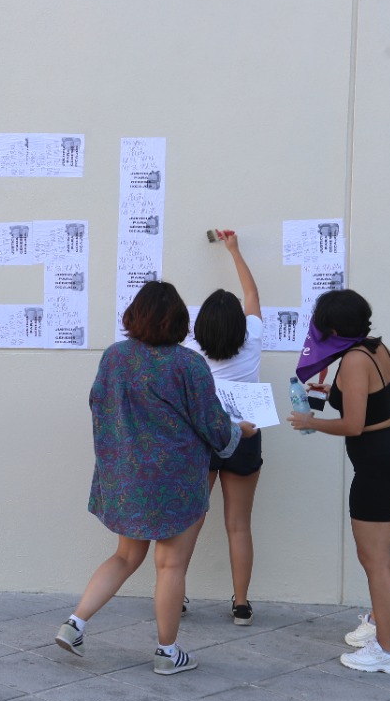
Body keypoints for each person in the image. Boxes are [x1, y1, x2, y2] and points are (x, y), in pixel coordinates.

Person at [56, 281, 255, 674]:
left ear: (134, 315)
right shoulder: (188, 364)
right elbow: (213, 425)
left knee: (125, 556)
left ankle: (75, 624)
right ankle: (167, 652)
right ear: (180, 321)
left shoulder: (115, 357)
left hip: (128, 476)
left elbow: (99, 406)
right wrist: (240, 432)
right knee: (170, 566)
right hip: (176, 481)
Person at [290, 289, 390, 675]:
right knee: (378, 553)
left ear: (332, 328)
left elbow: (353, 424)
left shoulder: (352, 360)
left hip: (379, 466)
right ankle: (384, 624)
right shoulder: (377, 349)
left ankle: (389, 651)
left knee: (373, 558)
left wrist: (311, 421)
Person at [185, 230, 264, 625]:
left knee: (191, 519)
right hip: (246, 434)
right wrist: (234, 251)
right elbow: (252, 296)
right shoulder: (252, 339)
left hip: (205, 437)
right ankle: (242, 604)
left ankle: (175, 592)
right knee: (238, 525)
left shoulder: (191, 350)